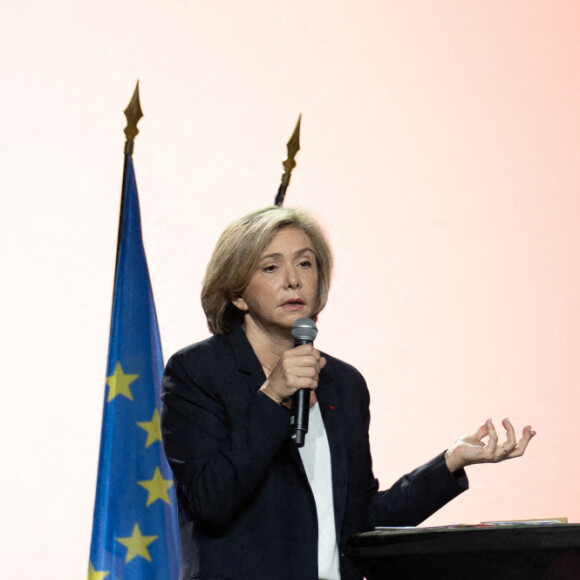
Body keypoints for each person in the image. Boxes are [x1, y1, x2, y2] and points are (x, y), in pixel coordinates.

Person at [161, 206, 536, 580]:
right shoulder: (197, 373)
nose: (293, 280)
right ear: (238, 294)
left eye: (305, 264)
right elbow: (210, 502)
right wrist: (273, 397)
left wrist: (450, 463)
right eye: (271, 267)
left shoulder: (343, 382)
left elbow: (360, 522)